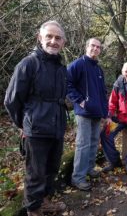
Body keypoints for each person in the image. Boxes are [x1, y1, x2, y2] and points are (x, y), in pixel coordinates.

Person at [4, 20, 67, 216]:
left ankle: (45, 201)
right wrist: (22, 124)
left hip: (57, 126)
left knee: (52, 168)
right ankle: (34, 210)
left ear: (63, 42)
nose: (53, 41)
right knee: (35, 173)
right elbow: (11, 100)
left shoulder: (60, 68)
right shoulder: (28, 64)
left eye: (58, 38)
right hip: (36, 129)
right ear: (40, 38)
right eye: (49, 36)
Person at [67, 38, 108, 191]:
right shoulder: (77, 64)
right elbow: (67, 83)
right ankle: (78, 177)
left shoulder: (98, 69)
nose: (95, 49)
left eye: (98, 47)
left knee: (93, 142)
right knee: (82, 144)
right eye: (92, 46)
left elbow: (102, 93)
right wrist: (80, 101)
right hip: (84, 113)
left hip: (97, 113)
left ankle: (89, 169)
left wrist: (105, 112)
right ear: (86, 47)